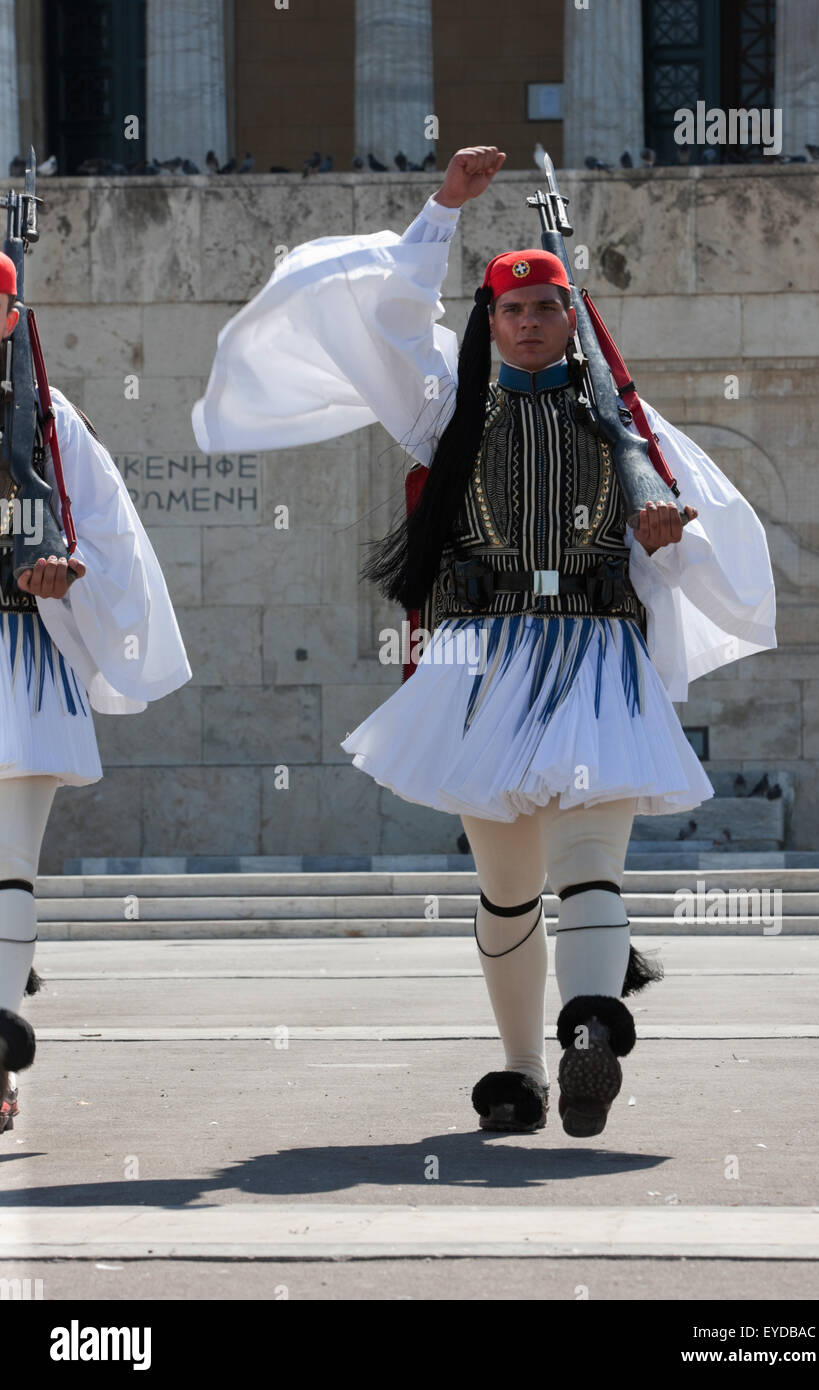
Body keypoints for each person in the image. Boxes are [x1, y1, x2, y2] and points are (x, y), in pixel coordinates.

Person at [192, 146, 776, 1138]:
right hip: (486, 664)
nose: (527, 321)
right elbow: (384, 322)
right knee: (507, 889)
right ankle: (519, 1070)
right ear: (488, 320)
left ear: (569, 316)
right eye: (509, 309)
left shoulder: (626, 426)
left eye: (544, 306)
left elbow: (699, 535)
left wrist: (669, 537)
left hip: (594, 654)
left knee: (591, 860)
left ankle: (587, 1025)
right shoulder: (445, 413)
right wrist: (440, 210)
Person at [0, 250, 192, 1133]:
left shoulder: (47, 420)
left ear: (11, 319)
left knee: (9, 866)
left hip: (16, 656)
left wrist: (67, 579)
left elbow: (103, 532)